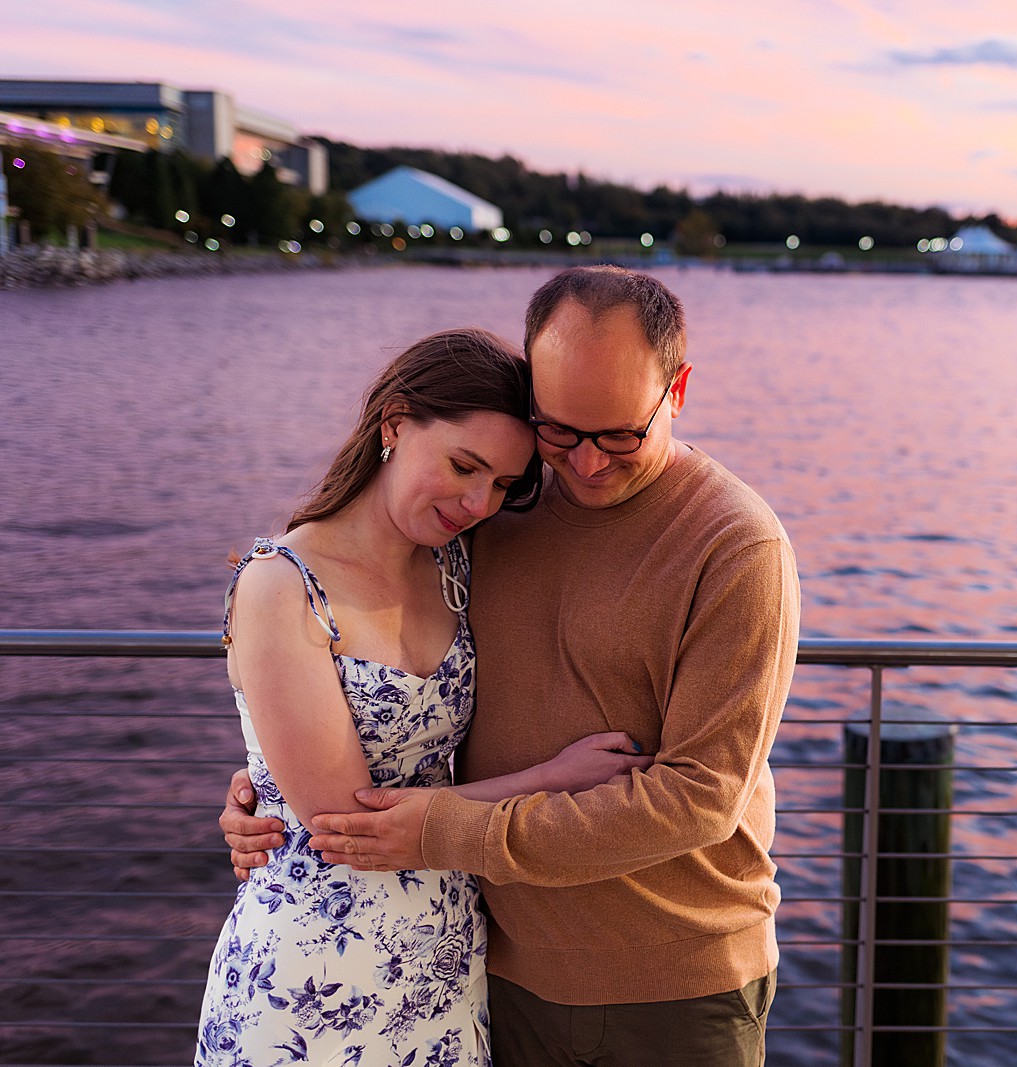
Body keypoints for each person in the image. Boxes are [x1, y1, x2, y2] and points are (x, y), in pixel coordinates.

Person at [223, 266, 802, 1066]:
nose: (589, 464)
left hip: (672, 982)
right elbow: (365, 665)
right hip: (493, 970)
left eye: (619, 435)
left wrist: (448, 828)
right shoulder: (499, 513)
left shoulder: (739, 546)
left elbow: (702, 797)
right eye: (560, 432)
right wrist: (263, 784)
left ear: (678, 389)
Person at [196, 326, 652, 1067]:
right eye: (463, 465)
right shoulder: (281, 585)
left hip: (445, 961)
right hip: (311, 975)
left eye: (503, 484)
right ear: (395, 423)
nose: (478, 501)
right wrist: (552, 781)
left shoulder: (455, 567)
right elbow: (343, 824)